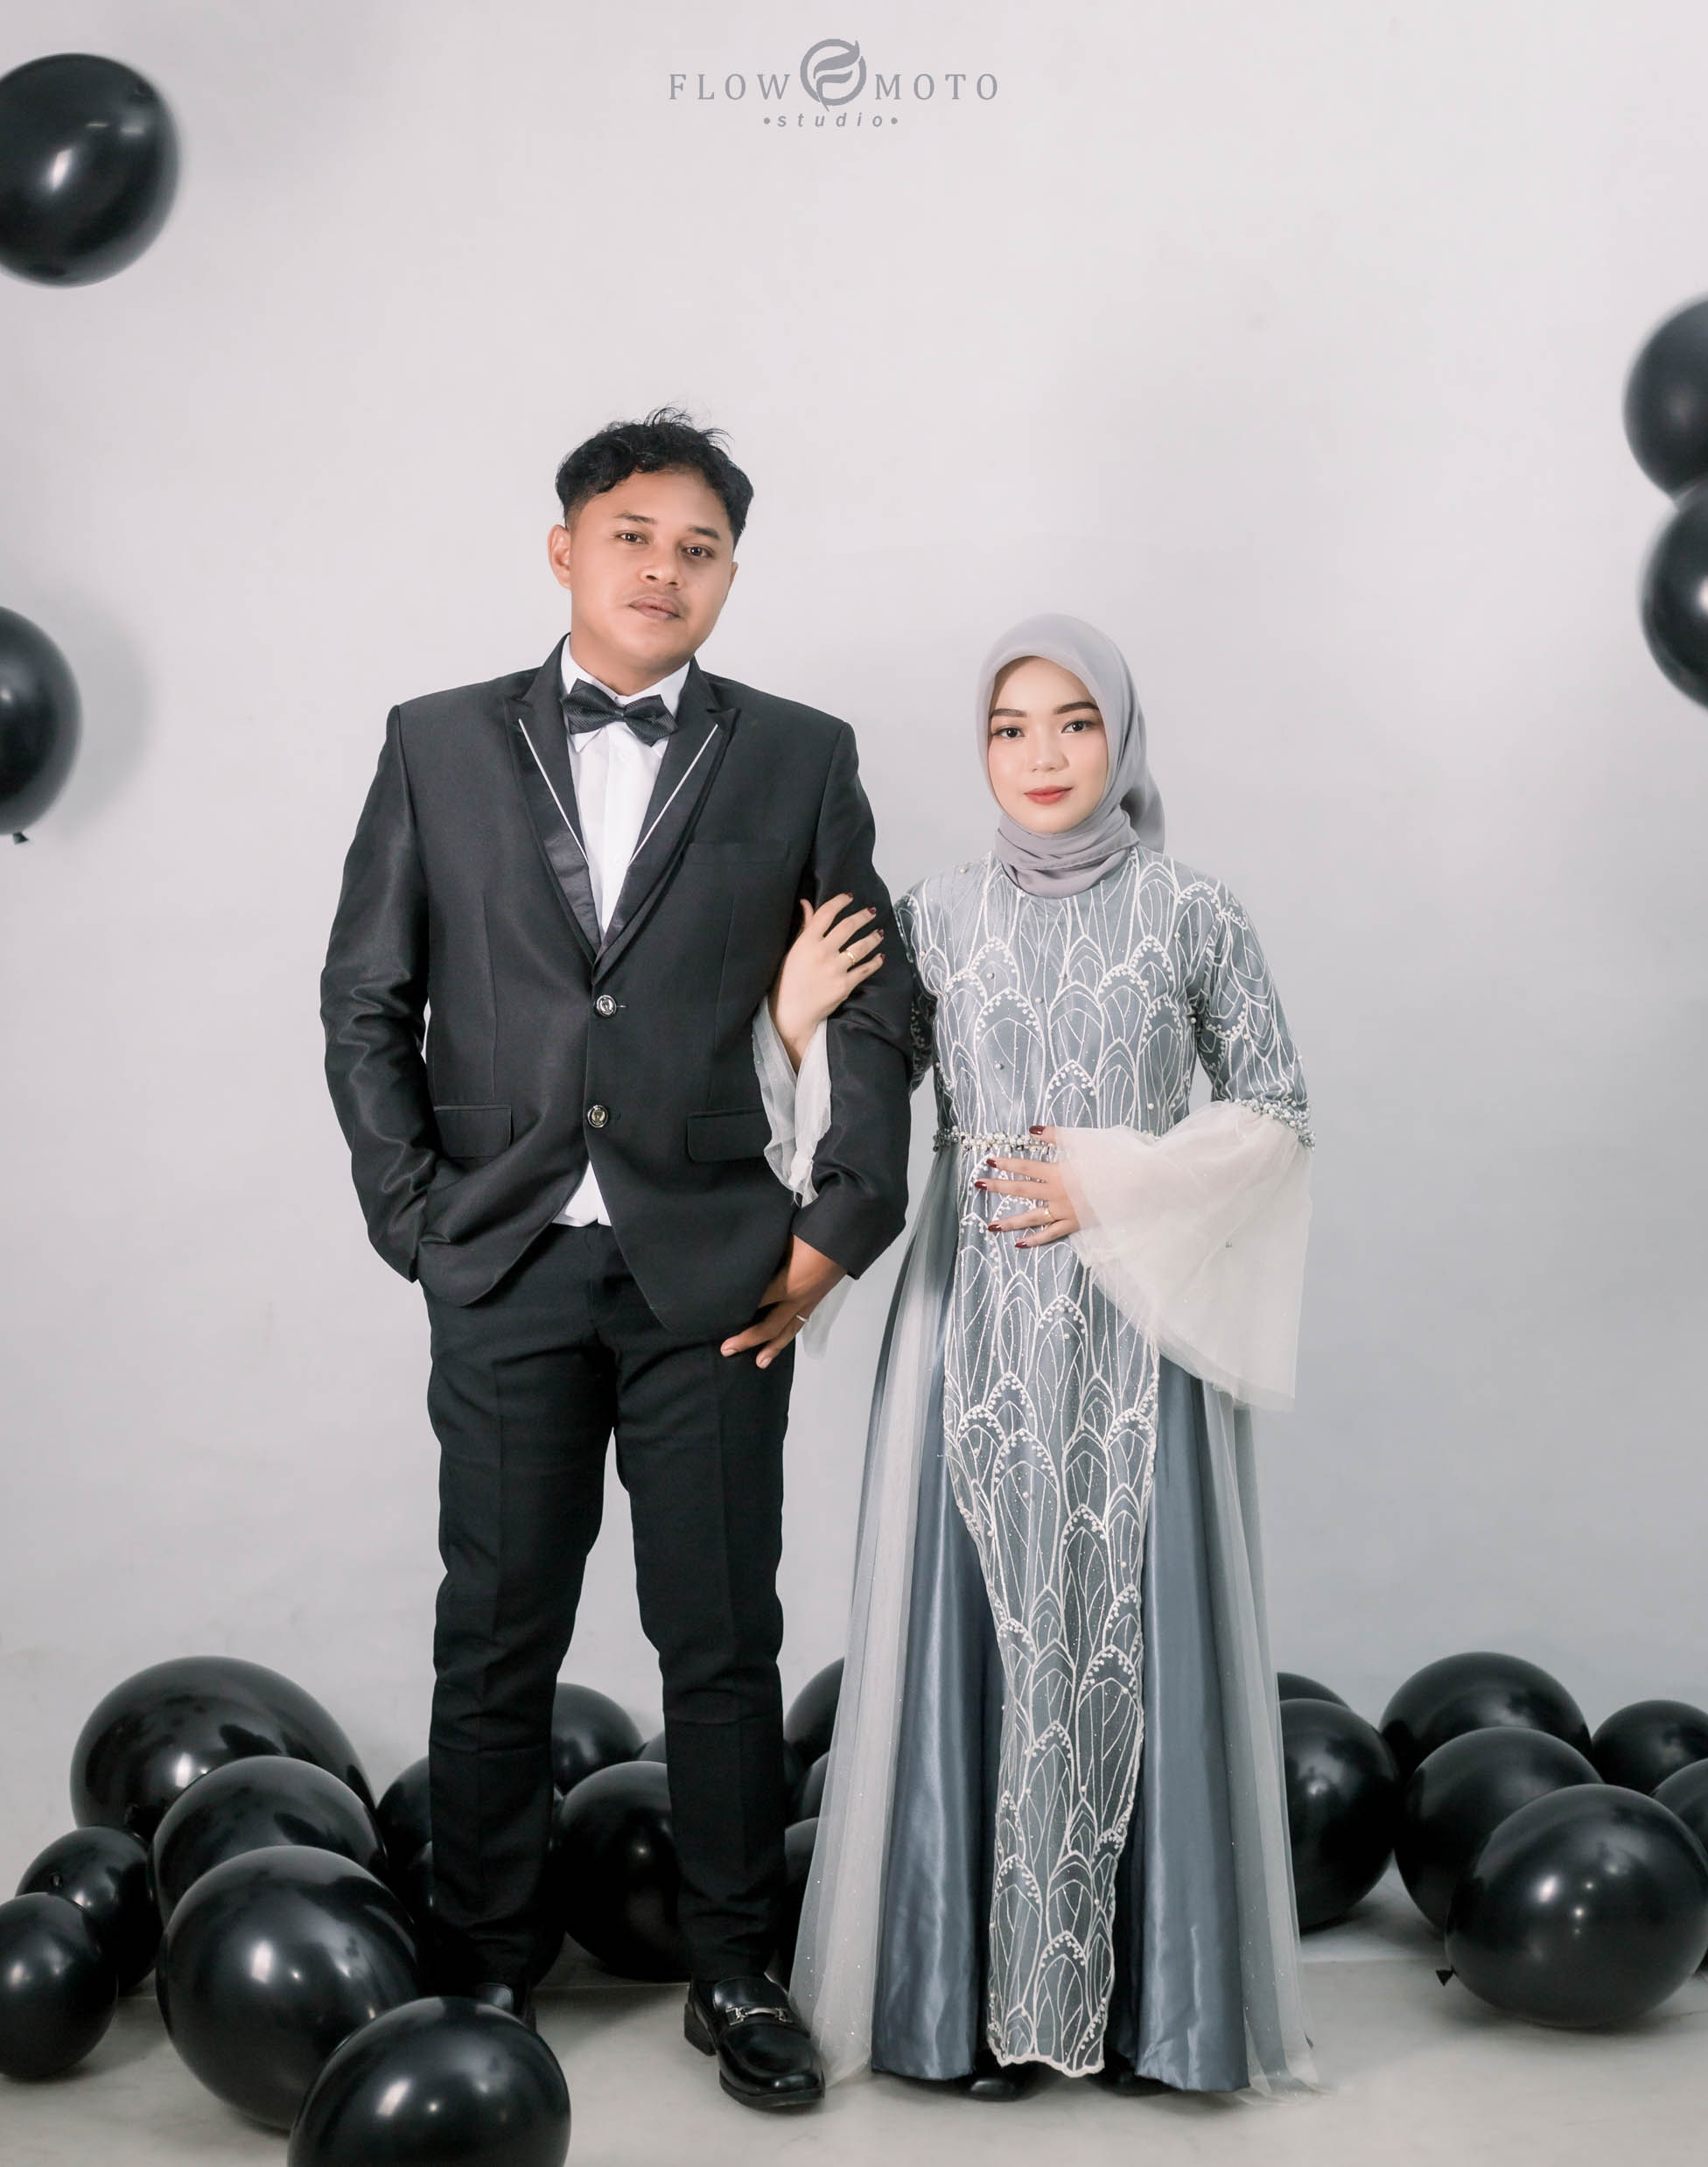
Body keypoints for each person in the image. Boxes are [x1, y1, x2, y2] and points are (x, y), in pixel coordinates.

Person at [318, 409, 914, 2112]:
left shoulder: (797, 756)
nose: (664, 569)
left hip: (714, 1272)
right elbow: (365, 996)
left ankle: (736, 1969)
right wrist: (415, 1220)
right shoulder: (435, 742)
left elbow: (874, 1003)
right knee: (495, 1628)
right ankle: (484, 1958)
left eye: (699, 547)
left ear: (731, 574)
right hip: (503, 1260)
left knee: (719, 1637)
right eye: (633, 536)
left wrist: (836, 1227)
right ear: (565, 548)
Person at [787, 614, 1319, 2097]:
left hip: (1142, 1331)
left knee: (1136, 1621)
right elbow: (860, 1116)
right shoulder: (934, 917)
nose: (1041, 755)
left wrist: (1113, 1182)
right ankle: (962, 2014)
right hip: (972, 1326)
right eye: (1009, 727)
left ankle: (1158, 2016)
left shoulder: (1194, 913)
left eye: (1075, 722)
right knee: (977, 1625)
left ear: (1121, 738)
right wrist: (794, 1023)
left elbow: (1278, 1113)